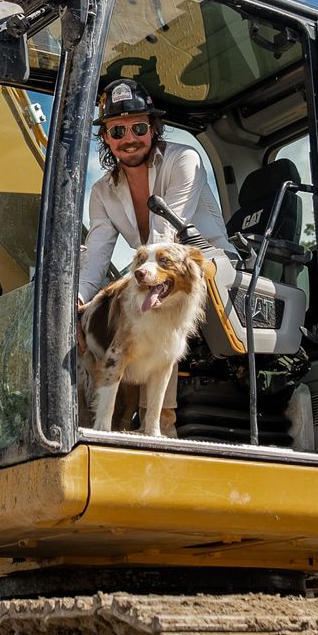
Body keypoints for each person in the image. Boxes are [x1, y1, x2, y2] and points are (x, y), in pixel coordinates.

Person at [78, 80, 239, 436]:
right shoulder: (103, 191)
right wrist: (79, 299)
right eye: (117, 130)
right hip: (152, 267)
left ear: (153, 128)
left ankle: (162, 426)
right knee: (101, 312)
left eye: (138, 127)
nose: (129, 138)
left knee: (137, 304)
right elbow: (98, 249)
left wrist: (118, 290)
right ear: (106, 137)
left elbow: (166, 235)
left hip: (201, 264)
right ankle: (113, 422)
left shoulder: (185, 160)